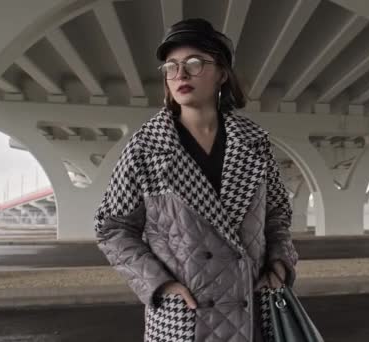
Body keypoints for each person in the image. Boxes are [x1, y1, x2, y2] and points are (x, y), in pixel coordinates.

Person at [94, 18, 298, 342]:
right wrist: (160, 285)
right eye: (171, 67)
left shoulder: (255, 144)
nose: (181, 74)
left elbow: (277, 215)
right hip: (184, 321)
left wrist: (280, 265)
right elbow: (111, 226)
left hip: (252, 314)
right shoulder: (147, 147)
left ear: (221, 73)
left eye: (194, 63)